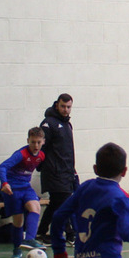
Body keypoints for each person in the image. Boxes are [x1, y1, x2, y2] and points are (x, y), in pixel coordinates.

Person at [35, 94, 78, 244]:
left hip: (66, 172)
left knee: (55, 204)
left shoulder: (67, 124)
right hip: (53, 172)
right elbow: (41, 148)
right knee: (64, 203)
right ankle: (71, 234)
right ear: (57, 105)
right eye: (63, 106)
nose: (66, 110)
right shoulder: (48, 124)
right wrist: (41, 166)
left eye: (68, 107)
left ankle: (41, 232)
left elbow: (67, 151)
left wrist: (72, 170)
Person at [0, 127, 46, 257]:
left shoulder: (41, 156)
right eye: (33, 142)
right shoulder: (21, 154)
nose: (36, 146)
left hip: (26, 187)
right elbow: (2, 166)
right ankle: (17, 249)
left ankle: (29, 239)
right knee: (18, 221)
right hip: (12, 189)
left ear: (43, 141)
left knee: (35, 206)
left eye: (39, 142)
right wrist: (4, 183)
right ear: (28, 141)